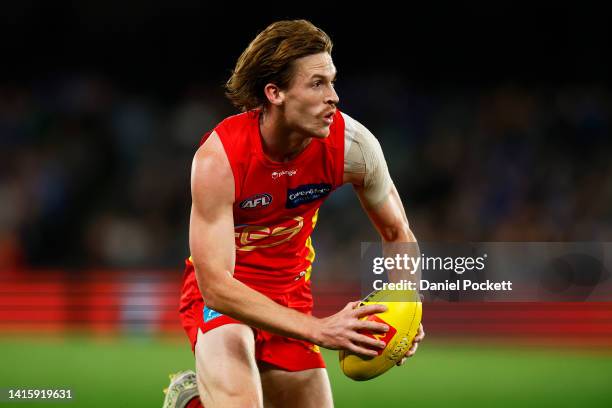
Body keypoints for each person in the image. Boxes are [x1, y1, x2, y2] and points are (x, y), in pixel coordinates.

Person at [163, 19, 424, 408]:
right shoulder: (220, 158)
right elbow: (215, 284)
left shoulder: (355, 147)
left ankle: (195, 402)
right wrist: (319, 329)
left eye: (333, 82)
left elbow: (397, 232)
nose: (333, 97)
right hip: (222, 296)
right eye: (317, 84)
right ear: (275, 92)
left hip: (290, 297)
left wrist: (407, 308)